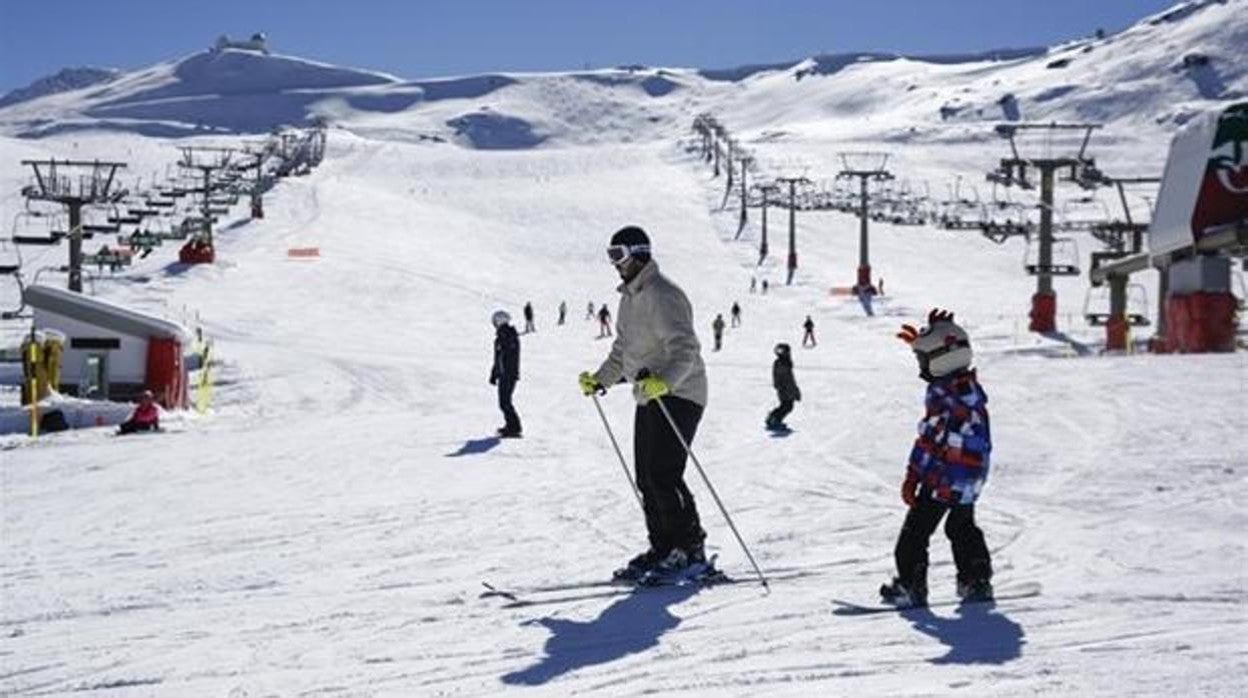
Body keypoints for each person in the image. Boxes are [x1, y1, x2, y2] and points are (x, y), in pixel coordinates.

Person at [578, 225, 711, 582]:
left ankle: (690, 548)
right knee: (647, 478)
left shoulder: (663, 294)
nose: (614, 264)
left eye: (617, 255)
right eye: (610, 256)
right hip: (649, 395)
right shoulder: (630, 298)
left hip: (680, 394)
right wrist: (600, 379)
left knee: (664, 474)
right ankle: (664, 546)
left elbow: (686, 350)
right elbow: (622, 351)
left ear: (638, 254)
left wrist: (664, 383)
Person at [880, 308, 993, 607]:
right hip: (971, 475)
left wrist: (912, 476)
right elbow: (947, 353)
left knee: (915, 533)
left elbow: (929, 441)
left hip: (944, 477)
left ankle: (911, 586)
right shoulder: (969, 388)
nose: (920, 368)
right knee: (961, 527)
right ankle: (976, 580)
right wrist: (928, 345)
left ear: (940, 361)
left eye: (922, 361)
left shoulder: (941, 394)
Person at [489, 310, 523, 438]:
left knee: (505, 402)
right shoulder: (501, 337)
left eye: (495, 322)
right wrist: (494, 374)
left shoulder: (509, 335)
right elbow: (498, 358)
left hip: (509, 374)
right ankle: (512, 425)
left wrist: (506, 372)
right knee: (504, 402)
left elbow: (508, 356)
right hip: (504, 374)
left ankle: (515, 427)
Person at [766, 343, 800, 431]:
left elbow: (790, 377)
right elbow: (779, 376)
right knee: (787, 406)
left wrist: (795, 390)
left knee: (787, 405)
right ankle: (775, 419)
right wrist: (779, 385)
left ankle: (774, 418)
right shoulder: (781, 363)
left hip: (787, 387)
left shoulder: (785, 362)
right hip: (784, 388)